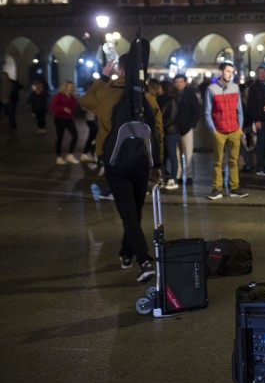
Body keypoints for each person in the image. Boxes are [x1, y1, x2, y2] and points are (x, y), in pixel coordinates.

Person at [80, 53, 164, 283]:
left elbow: (84, 101)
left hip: (114, 161)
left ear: (121, 71)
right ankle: (134, 255)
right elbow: (158, 130)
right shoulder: (147, 96)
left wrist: (104, 77)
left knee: (129, 212)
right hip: (140, 161)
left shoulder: (106, 93)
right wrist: (157, 163)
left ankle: (139, 258)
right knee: (134, 211)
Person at [205, 61, 248, 200]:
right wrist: (213, 130)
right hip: (219, 131)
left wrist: (240, 127)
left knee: (233, 161)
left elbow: (240, 109)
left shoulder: (235, 88)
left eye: (232, 71)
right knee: (218, 161)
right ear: (221, 72)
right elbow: (207, 112)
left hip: (234, 130)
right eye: (228, 71)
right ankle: (217, 189)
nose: (230, 74)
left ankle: (235, 187)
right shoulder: (211, 89)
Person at [174, 74, 201, 186]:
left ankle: (189, 176)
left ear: (185, 83)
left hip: (186, 127)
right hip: (174, 129)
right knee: (177, 154)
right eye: (177, 82)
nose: (179, 84)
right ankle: (178, 175)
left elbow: (196, 109)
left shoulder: (190, 94)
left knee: (188, 153)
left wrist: (192, 124)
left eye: (181, 82)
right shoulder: (172, 94)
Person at [247, 66, 265, 175]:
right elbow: (252, 105)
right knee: (260, 144)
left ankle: (263, 165)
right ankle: (260, 167)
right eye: (259, 73)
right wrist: (256, 120)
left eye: (263, 73)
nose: (261, 75)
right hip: (260, 119)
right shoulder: (254, 87)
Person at [50, 81, 80, 165]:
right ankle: (59, 157)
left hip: (68, 119)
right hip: (59, 119)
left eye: (73, 87)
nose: (72, 88)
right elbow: (53, 107)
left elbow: (74, 108)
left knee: (75, 136)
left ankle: (70, 155)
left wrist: (76, 99)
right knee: (60, 137)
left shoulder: (72, 96)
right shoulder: (59, 95)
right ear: (65, 87)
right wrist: (63, 108)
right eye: (70, 86)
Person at [157, 80, 180, 190]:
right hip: (165, 131)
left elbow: (172, 117)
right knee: (163, 155)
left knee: (171, 155)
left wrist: (161, 126)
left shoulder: (171, 100)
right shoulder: (159, 99)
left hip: (171, 132)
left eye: (160, 87)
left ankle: (173, 178)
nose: (158, 89)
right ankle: (164, 175)